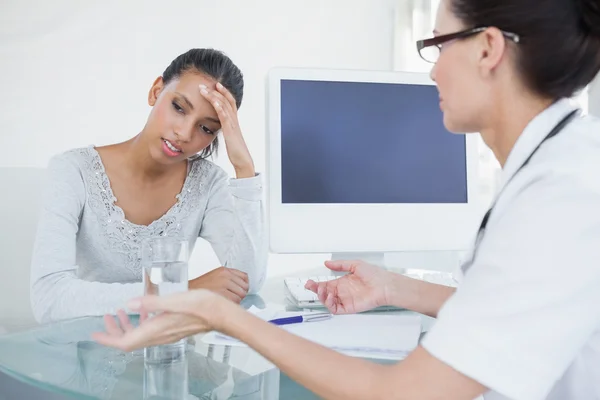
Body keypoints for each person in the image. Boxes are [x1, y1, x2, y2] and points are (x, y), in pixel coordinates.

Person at [93, 0, 600, 398]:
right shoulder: (562, 168)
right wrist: (392, 287)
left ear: (488, 49)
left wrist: (224, 316)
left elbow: (399, 394)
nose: (432, 72)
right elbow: (503, 311)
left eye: (439, 45)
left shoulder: (560, 198)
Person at [30, 48, 267, 324]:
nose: (184, 133)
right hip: (91, 355)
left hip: (172, 357)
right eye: (179, 108)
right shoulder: (73, 171)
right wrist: (181, 293)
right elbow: (48, 299)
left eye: (206, 128)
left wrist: (244, 169)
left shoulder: (208, 183)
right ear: (156, 91)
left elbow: (247, 281)